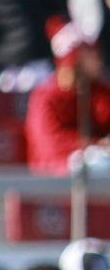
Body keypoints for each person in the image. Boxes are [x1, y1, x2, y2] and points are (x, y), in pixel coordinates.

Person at [26, 38, 110, 177]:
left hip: (92, 174)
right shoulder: (45, 96)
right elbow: (50, 145)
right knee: (98, 164)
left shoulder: (96, 90)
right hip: (53, 178)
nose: (97, 58)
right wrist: (95, 145)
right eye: (89, 53)